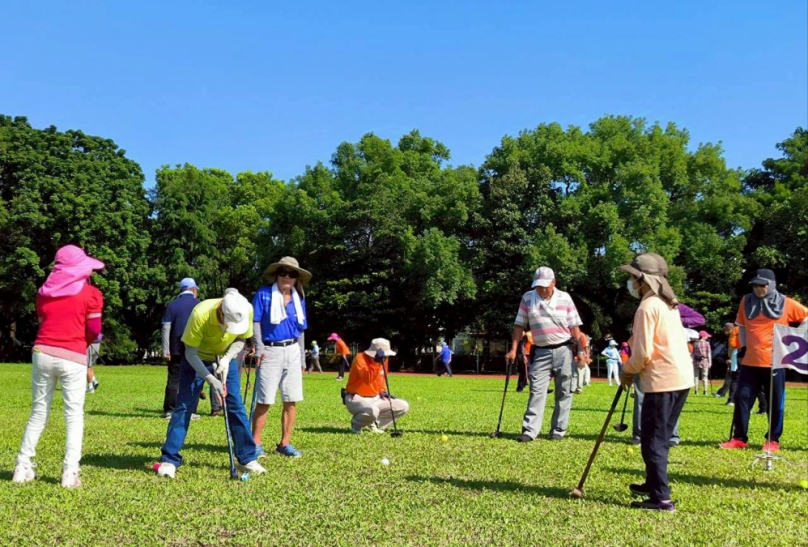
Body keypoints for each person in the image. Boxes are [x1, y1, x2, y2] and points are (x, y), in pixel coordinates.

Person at [12, 245, 105, 488]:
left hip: (42, 352)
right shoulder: (91, 294)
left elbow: (44, 322)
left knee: (38, 411)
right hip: (73, 354)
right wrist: (86, 341)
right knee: (73, 415)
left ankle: (22, 467)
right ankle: (70, 473)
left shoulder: (43, 293)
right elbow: (95, 330)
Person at [157, 288, 265, 478]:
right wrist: (211, 379)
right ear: (221, 311)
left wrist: (226, 359)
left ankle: (247, 458)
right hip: (196, 358)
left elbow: (241, 339)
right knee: (184, 406)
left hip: (225, 356)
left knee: (235, 404)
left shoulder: (246, 309)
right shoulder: (201, 313)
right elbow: (190, 353)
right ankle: (169, 459)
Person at [619, 253, 692, 512]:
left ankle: (662, 498)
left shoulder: (647, 307)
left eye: (632, 276)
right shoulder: (667, 303)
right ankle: (652, 483)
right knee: (659, 437)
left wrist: (626, 370)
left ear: (642, 279)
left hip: (662, 381)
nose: (630, 281)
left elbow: (643, 354)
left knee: (652, 441)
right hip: (679, 379)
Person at [720, 269, 808, 452]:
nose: (759, 288)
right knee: (742, 398)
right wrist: (743, 347)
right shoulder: (746, 301)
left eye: (763, 285)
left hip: (775, 362)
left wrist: (794, 338)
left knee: (774, 403)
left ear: (772, 285)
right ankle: (739, 438)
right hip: (750, 362)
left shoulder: (786, 302)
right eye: (755, 285)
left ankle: (772, 440)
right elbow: (741, 325)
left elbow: (806, 316)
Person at [505, 266, 589, 442]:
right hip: (541, 351)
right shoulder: (528, 298)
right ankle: (530, 430)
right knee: (536, 390)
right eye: (539, 286)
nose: (542, 289)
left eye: (545, 286)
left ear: (554, 283)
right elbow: (519, 326)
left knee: (564, 391)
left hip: (564, 349)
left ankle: (558, 429)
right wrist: (513, 349)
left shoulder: (565, 298)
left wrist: (581, 350)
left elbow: (575, 327)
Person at [251, 257, 309, 459]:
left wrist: (302, 358)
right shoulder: (263, 293)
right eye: (283, 272)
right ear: (276, 274)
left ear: (296, 278)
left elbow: (301, 329)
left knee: (291, 400)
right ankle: (255, 443)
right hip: (270, 350)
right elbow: (255, 322)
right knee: (264, 400)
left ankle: (284, 443)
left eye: (292, 274)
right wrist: (258, 348)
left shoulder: (299, 298)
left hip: (292, 350)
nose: (287, 277)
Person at [161, 278, 211, 419]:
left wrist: (166, 350)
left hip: (175, 348)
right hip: (196, 349)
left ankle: (170, 410)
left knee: (173, 379)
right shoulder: (200, 305)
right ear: (194, 290)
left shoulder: (172, 305)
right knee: (193, 379)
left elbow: (166, 328)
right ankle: (191, 410)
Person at [344, 338, 409, 434]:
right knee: (372, 410)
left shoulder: (384, 360)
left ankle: (374, 423)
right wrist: (376, 362)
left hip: (376, 398)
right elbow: (367, 379)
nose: (387, 357)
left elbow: (382, 378)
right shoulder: (360, 358)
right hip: (356, 397)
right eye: (385, 355)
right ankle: (356, 424)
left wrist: (382, 391)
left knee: (403, 406)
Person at [691, 331, 712, 395]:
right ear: (703, 336)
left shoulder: (695, 343)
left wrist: (691, 361)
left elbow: (693, 353)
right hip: (704, 360)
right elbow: (708, 353)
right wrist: (710, 362)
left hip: (696, 361)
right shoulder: (707, 343)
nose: (707, 337)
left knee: (696, 377)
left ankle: (696, 391)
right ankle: (705, 391)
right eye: (706, 336)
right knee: (704, 377)